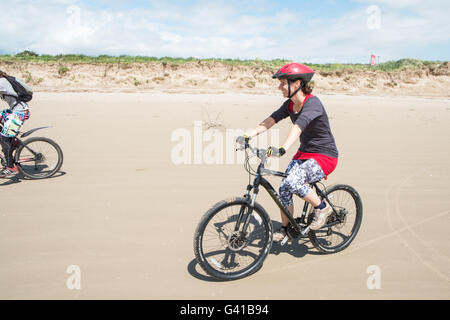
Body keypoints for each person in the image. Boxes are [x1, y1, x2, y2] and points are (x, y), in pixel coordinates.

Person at [238, 62, 339, 242]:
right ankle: (286, 228)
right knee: (285, 187)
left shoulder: (313, 104)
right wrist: (250, 134)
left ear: (297, 83)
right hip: (304, 154)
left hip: (325, 156)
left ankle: (323, 207)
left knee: (293, 180)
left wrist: (283, 148)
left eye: (283, 83)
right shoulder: (290, 105)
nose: (279, 87)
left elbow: (298, 126)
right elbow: (272, 119)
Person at [0, 70, 31, 178]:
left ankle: (11, 167)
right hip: (14, 111)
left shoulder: (1, 82)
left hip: (19, 113)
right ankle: (13, 141)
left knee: (4, 139)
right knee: (4, 136)